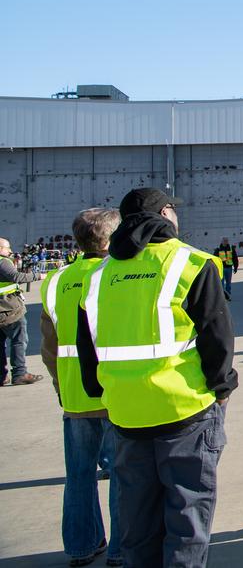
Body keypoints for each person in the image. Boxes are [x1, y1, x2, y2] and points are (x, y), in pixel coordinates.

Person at [75, 188, 236, 567]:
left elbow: (89, 345)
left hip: (126, 412)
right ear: (165, 213)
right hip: (185, 409)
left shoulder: (100, 275)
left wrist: (101, 390)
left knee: (137, 520)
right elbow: (217, 335)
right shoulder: (191, 262)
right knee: (186, 516)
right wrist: (222, 386)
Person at [40, 208, 123, 567]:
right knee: (123, 474)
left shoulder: (56, 281)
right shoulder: (119, 274)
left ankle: (81, 546)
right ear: (108, 240)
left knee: (79, 474)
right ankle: (122, 550)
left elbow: (49, 347)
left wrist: (61, 385)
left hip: (74, 393)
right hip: (117, 392)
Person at [1, 237, 44, 387]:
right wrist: (38, 275)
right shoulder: (2, 261)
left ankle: (1, 375)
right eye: (7, 248)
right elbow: (16, 277)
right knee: (19, 340)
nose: (10, 251)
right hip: (9, 309)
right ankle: (20, 373)